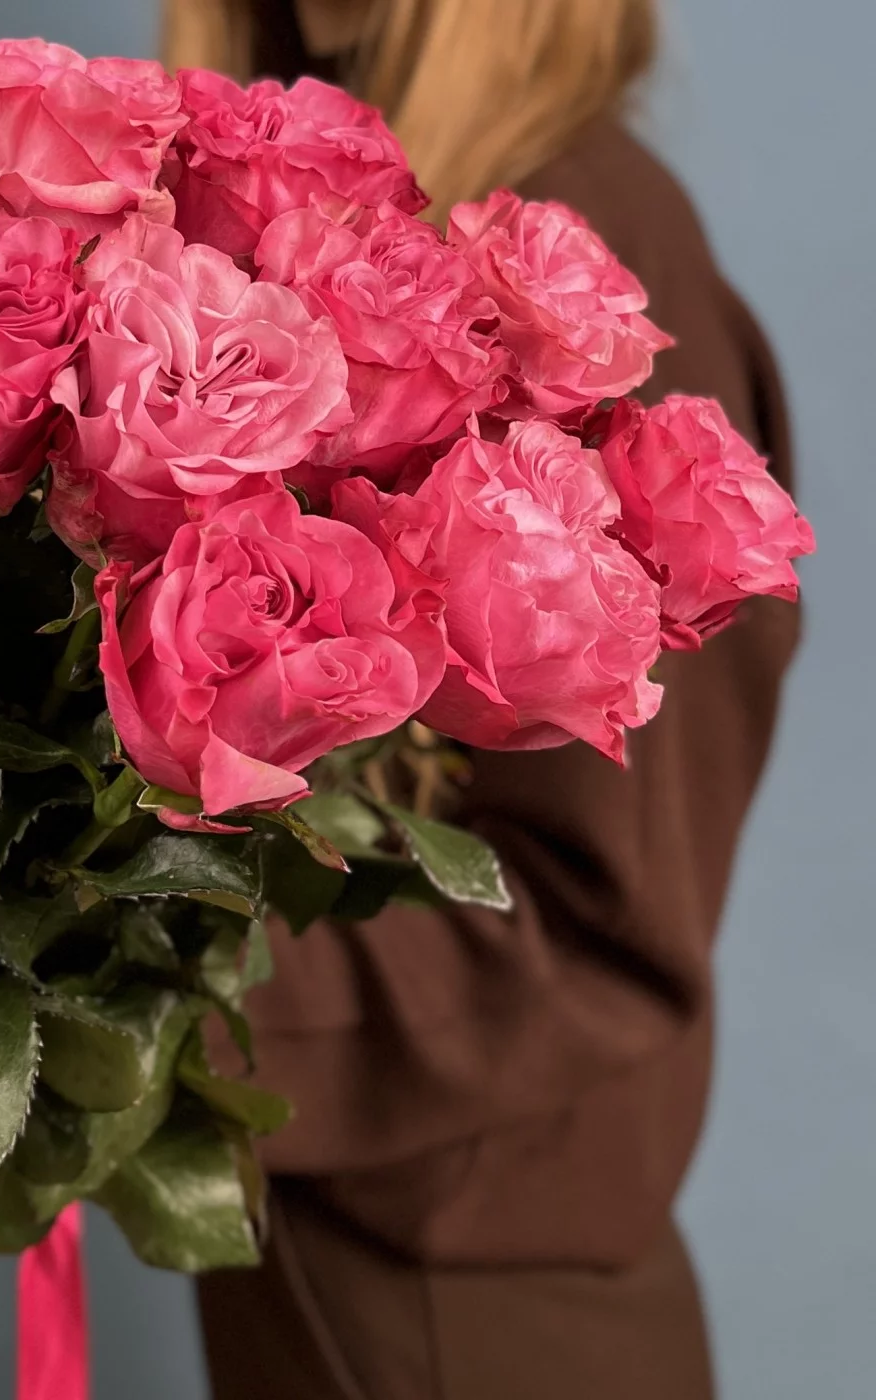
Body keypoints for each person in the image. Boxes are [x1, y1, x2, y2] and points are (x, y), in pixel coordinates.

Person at [161, 2, 802, 1397]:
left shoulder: (585, 263)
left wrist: (155, 1004)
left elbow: (603, 932)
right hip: (324, 1266)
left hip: (477, 1312)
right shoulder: (316, 208)